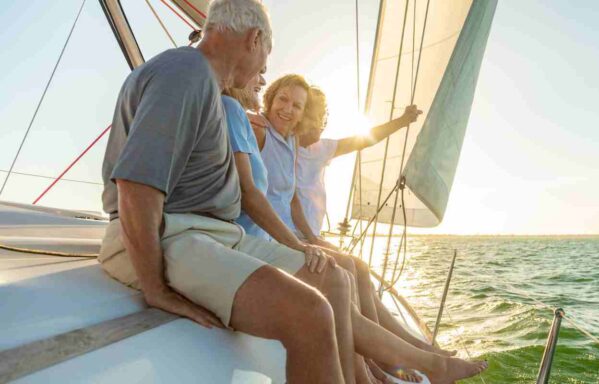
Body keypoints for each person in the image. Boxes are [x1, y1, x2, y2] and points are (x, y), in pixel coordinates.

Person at [98, 1, 351, 382]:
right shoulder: (185, 73)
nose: (264, 68)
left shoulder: (206, 84)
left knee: (334, 278)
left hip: (212, 234)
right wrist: (156, 289)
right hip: (170, 233)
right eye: (266, 55)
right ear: (255, 39)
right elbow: (135, 186)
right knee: (310, 312)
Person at [220, 77, 487, 383]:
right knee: (343, 272)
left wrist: (313, 238)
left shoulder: (290, 142)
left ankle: (393, 361)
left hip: (288, 238)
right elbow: (248, 185)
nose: (289, 110)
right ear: (269, 99)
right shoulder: (256, 128)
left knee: (349, 270)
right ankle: (381, 368)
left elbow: (293, 197)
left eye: (298, 106)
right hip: (270, 240)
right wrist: (301, 242)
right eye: (282, 100)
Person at [295, 86, 421, 239]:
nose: (319, 123)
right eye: (312, 116)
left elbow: (364, 140)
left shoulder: (322, 148)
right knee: (350, 264)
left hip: (311, 236)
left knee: (355, 264)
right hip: (289, 235)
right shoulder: (280, 144)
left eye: (321, 117)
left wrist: (402, 121)